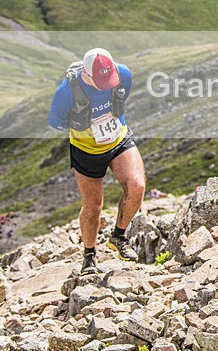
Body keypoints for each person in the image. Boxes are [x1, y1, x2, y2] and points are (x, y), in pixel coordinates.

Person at [49, 48, 146, 275]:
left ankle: (119, 237)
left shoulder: (123, 74)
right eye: (101, 81)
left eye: (108, 78)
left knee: (137, 187)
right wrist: (82, 122)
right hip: (86, 149)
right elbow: (56, 121)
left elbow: (124, 94)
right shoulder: (66, 93)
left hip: (118, 140)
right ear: (86, 73)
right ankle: (89, 255)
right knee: (93, 207)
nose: (107, 84)